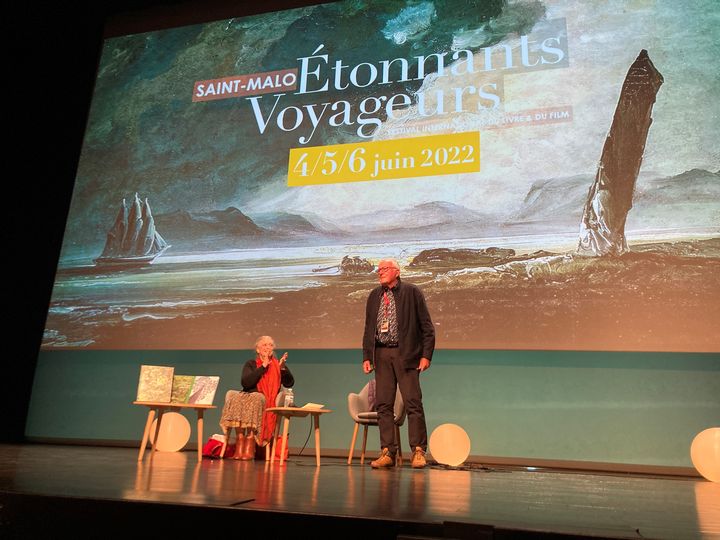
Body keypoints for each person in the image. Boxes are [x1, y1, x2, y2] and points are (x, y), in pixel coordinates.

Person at [362, 259, 435, 469]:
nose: (380, 273)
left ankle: (418, 451)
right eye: (379, 270)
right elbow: (369, 328)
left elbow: (427, 327)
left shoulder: (412, 292)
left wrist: (426, 355)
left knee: (413, 402)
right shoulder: (374, 295)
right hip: (382, 354)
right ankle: (387, 452)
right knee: (383, 404)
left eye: (384, 269)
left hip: (407, 354)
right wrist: (367, 356)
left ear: (397, 271)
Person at [220, 335, 294, 460]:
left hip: (263, 399)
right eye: (264, 345)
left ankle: (249, 442)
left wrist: (282, 369)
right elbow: (246, 383)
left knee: (256, 399)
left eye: (270, 345)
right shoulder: (251, 364)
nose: (268, 347)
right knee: (236, 397)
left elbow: (289, 383)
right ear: (258, 349)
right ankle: (240, 440)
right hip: (248, 395)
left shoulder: (277, 365)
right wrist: (263, 366)